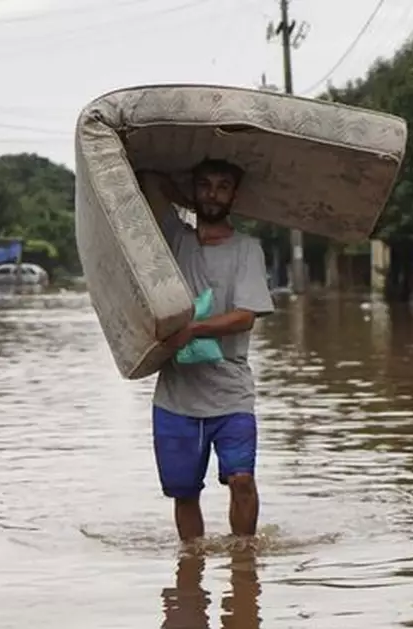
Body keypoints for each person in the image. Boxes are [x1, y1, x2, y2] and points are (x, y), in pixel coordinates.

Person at [137, 158, 275, 543]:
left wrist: (192, 330)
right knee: (184, 494)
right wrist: (181, 191)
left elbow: (245, 316)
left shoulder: (247, 250)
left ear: (235, 195)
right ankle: (192, 564)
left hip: (231, 394)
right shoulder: (175, 239)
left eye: (222, 187)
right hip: (176, 397)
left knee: (242, 480)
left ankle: (244, 561)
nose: (213, 194)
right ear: (194, 190)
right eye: (205, 186)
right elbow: (148, 178)